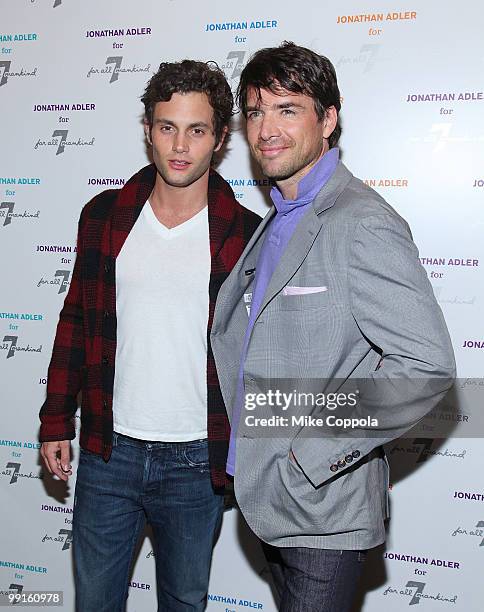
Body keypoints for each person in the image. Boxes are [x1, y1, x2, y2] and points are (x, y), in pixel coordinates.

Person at [210, 42, 455, 612]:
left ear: (328, 118)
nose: (266, 129)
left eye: (287, 109)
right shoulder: (280, 218)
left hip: (322, 511)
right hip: (271, 498)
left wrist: (313, 453)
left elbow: (425, 366)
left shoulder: (360, 221)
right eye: (255, 111)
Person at [39, 59, 260, 612]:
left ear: (220, 139)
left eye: (197, 129)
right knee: (95, 601)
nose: (180, 146)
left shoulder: (248, 236)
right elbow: (76, 321)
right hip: (108, 451)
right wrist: (54, 418)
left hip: (196, 460)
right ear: (147, 130)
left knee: (184, 602)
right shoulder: (103, 216)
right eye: (167, 127)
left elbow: (259, 353)